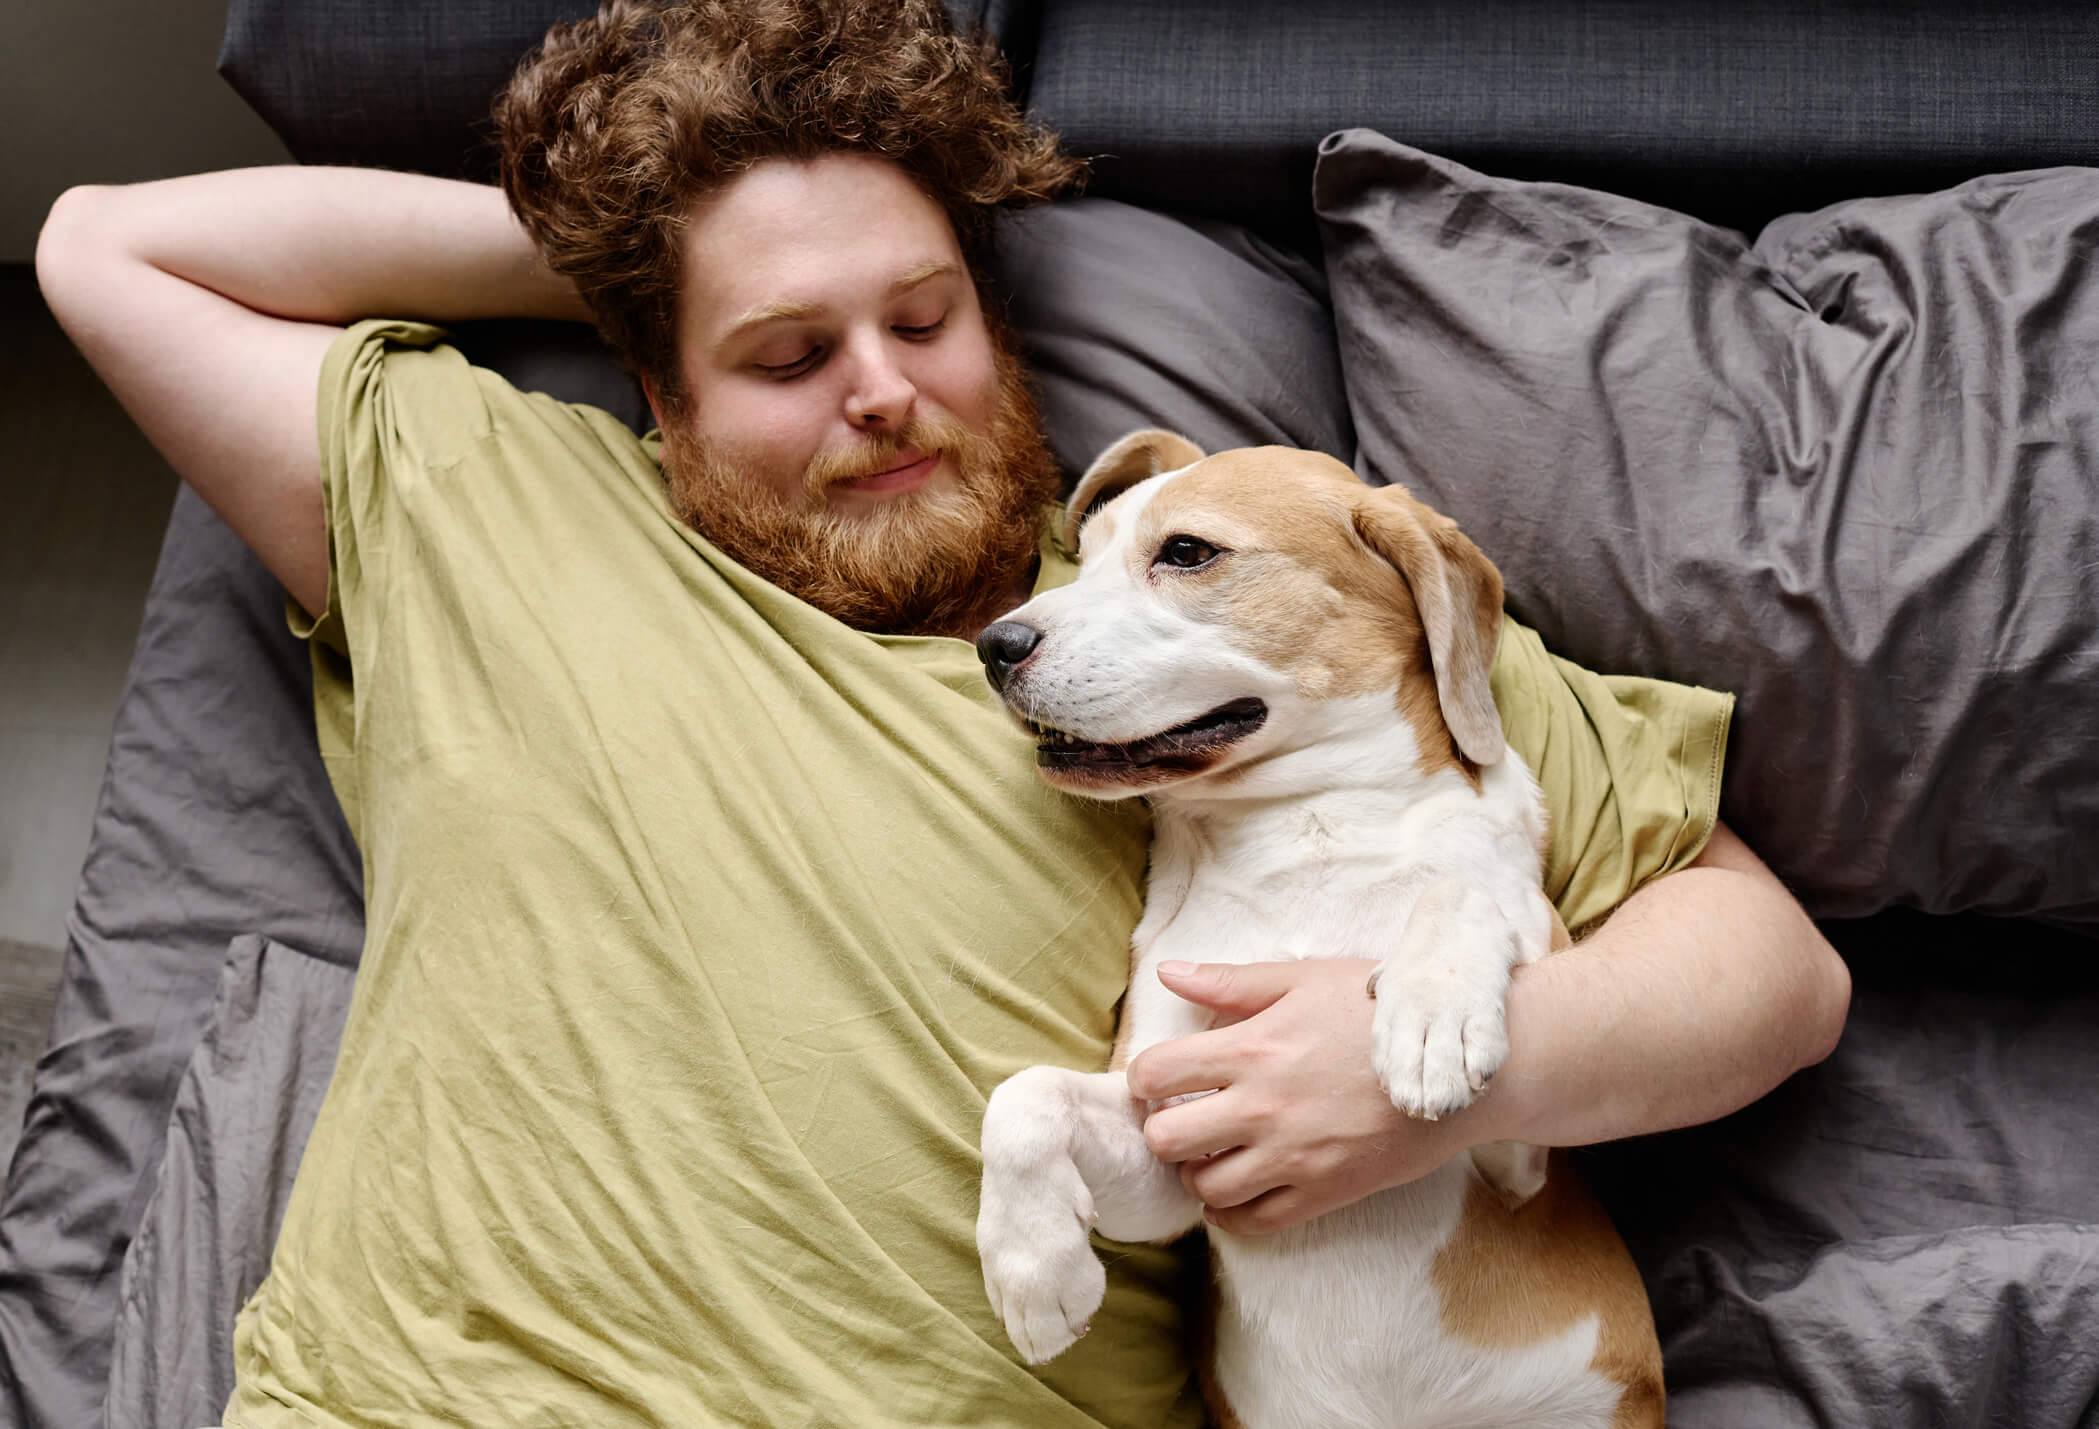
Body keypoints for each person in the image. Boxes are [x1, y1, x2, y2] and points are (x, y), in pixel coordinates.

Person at [34, 1, 1848, 1423]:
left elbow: (1772, 972)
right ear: (661, 389)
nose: (885, 390)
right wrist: (640, 265)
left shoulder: (1260, 612)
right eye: (788, 352)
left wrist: (1438, 1076)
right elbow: (108, 251)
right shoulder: (501, 509)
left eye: (927, 317)